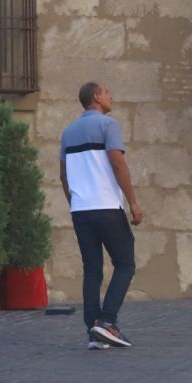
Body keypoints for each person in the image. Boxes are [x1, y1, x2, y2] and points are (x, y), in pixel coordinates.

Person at [59, 81, 144, 349]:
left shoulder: (67, 132)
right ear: (96, 97)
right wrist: (133, 203)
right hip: (106, 206)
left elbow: (63, 175)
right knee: (125, 263)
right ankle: (107, 322)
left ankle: (93, 331)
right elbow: (118, 163)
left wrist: (75, 202)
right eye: (108, 92)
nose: (111, 95)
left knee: (92, 270)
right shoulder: (109, 125)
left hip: (81, 210)